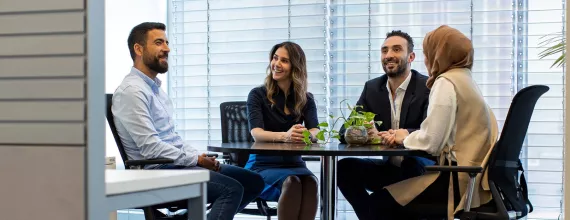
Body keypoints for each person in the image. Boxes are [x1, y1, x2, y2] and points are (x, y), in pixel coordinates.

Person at [112, 22, 264, 220]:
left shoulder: (154, 89)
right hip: (156, 173)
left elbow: (171, 139)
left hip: (175, 166)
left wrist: (196, 157)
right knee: (231, 189)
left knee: (253, 182)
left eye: (166, 42)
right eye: (159, 43)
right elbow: (150, 148)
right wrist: (197, 160)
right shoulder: (132, 92)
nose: (167, 48)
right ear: (138, 49)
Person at [369, 25, 499, 219]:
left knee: (376, 204)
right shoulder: (465, 79)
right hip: (475, 180)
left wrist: (404, 137)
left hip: (454, 181)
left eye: (428, 52)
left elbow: (432, 142)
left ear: (440, 53)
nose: (427, 59)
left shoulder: (445, 82)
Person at [336, 30, 434, 220]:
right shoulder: (372, 88)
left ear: (411, 56)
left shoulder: (427, 87)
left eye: (397, 49)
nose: (389, 55)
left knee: (410, 166)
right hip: (389, 167)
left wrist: (403, 135)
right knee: (344, 168)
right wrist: (365, 133)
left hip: (420, 168)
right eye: (384, 50)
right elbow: (343, 132)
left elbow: (431, 131)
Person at [245, 41, 319, 220]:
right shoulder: (257, 95)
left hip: (294, 164)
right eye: (275, 58)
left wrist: (307, 135)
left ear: (295, 67)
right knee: (292, 182)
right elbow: (256, 133)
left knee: (311, 182)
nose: (276, 64)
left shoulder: (306, 99)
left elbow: (316, 130)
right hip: (263, 165)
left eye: (284, 60)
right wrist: (285, 136)